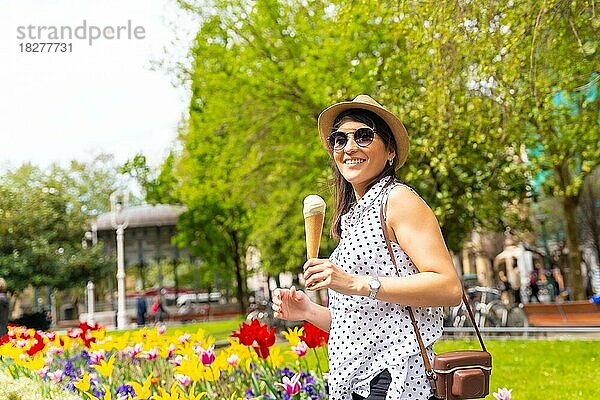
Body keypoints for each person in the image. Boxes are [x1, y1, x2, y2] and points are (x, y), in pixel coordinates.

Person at [273, 95, 462, 400]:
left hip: (394, 379)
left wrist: (354, 282)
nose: (349, 147)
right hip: (354, 380)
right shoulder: (353, 219)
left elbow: (449, 287)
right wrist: (308, 311)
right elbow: (359, 323)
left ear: (390, 151)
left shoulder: (398, 200)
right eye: (339, 139)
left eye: (363, 136)